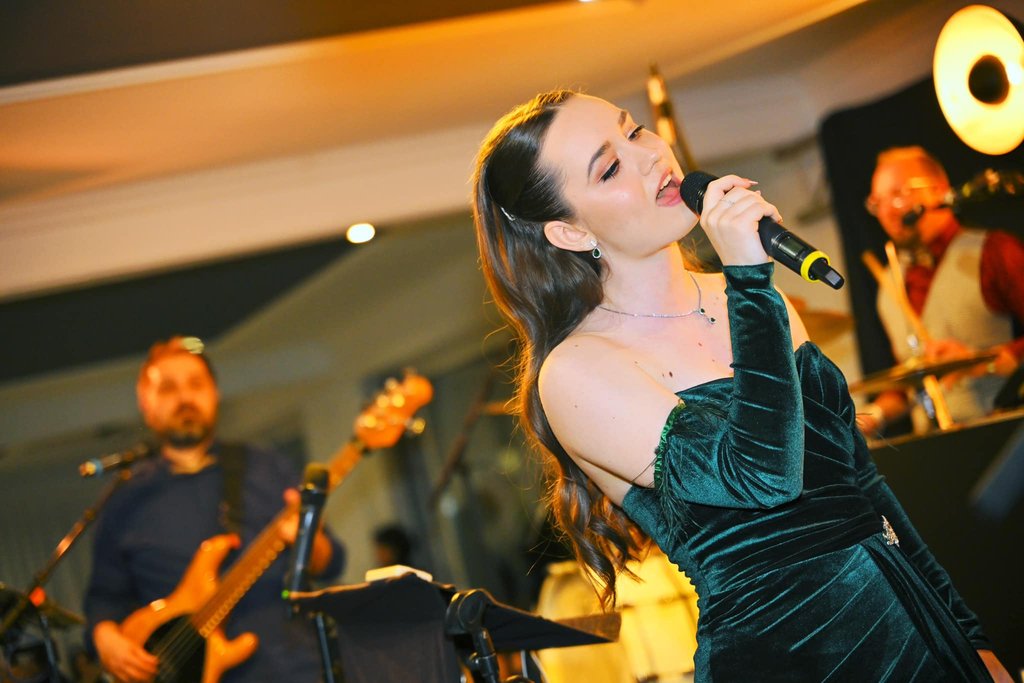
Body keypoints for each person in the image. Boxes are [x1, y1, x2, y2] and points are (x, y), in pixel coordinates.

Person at [472, 90, 1012, 681]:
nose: (650, 156)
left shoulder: (758, 303)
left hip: (912, 627)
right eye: (609, 168)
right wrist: (749, 282)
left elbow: (864, 490)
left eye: (635, 131)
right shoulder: (576, 371)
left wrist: (970, 638)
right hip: (786, 658)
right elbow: (761, 477)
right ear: (571, 233)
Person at [83, 336, 345, 683]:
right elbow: (104, 599)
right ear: (145, 403)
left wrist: (308, 542)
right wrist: (106, 642)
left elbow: (331, 561)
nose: (185, 398)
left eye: (196, 384)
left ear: (215, 394)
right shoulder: (125, 497)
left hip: (292, 669)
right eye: (168, 388)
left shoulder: (266, 466)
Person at [860, 146, 1024, 434]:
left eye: (898, 194)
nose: (886, 211)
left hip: (1005, 434)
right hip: (938, 446)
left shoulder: (993, 251)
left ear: (938, 190)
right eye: (878, 202)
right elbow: (908, 384)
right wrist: (871, 417)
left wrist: (984, 362)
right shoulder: (889, 284)